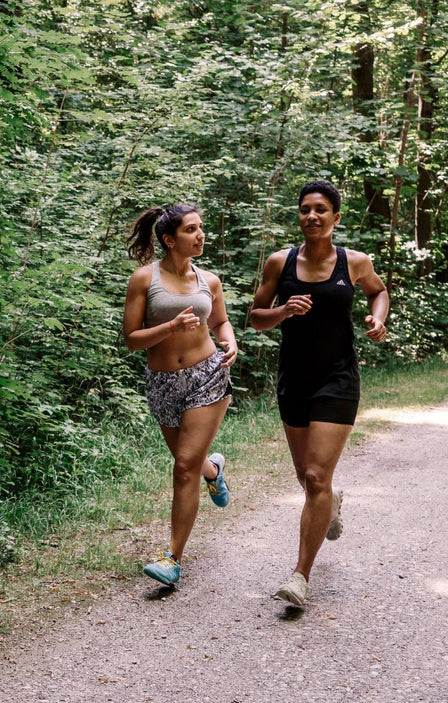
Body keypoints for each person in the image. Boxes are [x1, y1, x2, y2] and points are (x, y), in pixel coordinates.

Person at [250, 180, 389, 607]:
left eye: (321, 209)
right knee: (307, 478)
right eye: (305, 209)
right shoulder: (280, 263)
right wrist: (283, 310)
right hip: (295, 379)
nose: (312, 216)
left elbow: (378, 291)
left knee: (315, 477)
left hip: (338, 379)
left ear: (335, 218)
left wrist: (377, 318)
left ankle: (300, 576)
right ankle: (331, 505)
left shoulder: (355, 262)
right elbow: (255, 317)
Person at [122, 203, 238, 586]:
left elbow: (220, 320)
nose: (201, 234)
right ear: (170, 240)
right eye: (191, 229)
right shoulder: (144, 279)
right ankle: (214, 469)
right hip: (163, 383)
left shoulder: (210, 280)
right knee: (191, 464)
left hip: (208, 376)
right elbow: (132, 340)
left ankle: (172, 558)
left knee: (183, 467)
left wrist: (229, 341)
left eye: (201, 227)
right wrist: (170, 327)